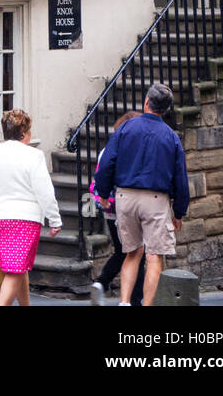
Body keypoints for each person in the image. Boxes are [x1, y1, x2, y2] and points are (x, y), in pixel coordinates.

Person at [91, 83, 189, 306]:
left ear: (146, 102)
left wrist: (103, 193)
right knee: (154, 256)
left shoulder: (125, 129)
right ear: (166, 110)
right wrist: (179, 211)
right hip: (155, 200)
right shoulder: (171, 137)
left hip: (125, 197)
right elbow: (180, 177)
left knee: (132, 252)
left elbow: (107, 163)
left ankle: (125, 302)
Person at [0, 109, 62, 306]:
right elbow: (44, 191)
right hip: (24, 219)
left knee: (19, 266)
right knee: (15, 271)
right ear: (24, 133)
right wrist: (55, 219)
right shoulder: (34, 156)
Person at [88, 111, 147, 306]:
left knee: (123, 251)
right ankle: (134, 300)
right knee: (138, 253)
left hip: (111, 209)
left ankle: (102, 282)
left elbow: (101, 174)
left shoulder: (106, 150)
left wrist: (103, 197)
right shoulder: (136, 149)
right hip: (130, 206)